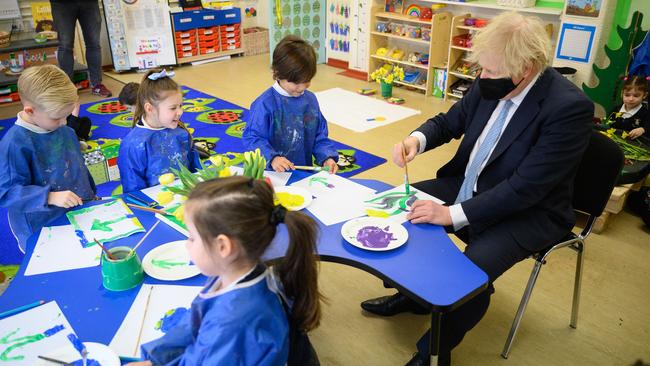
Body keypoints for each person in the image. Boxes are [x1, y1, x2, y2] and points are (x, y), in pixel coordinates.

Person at [359, 12, 594, 365]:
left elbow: (524, 189)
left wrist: (450, 214)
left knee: (467, 276)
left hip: (530, 211)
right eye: (481, 69)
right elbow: (450, 121)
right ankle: (415, 297)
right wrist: (416, 139)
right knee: (401, 209)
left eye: (491, 71)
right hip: (473, 183)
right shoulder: (493, 77)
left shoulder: (569, 109)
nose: (483, 77)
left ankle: (432, 353)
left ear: (526, 68)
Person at [126, 176, 322, 365]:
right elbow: (193, 324)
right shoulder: (230, 273)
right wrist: (155, 359)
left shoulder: (234, 324)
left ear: (223, 247)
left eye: (192, 237)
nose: (187, 244)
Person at [0, 65, 96, 252]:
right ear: (30, 111)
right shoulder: (14, 145)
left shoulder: (64, 130)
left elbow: (77, 167)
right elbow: (6, 193)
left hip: (78, 211)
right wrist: (49, 196)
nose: (64, 123)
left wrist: (91, 194)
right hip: (42, 224)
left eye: (67, 116)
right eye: (57, 117)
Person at [243, 35, 339, 174]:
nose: (301, 88)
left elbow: (319, 136)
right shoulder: (265, 104)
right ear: (277, 74)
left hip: (302, 172)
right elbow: (253, 138)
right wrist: (273, 158)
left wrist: (327, 157)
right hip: (272, 173)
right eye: (295, 83)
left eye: (307, 81)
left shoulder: (310, 100)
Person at [117, 69, 201, 193]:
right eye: (173, 108)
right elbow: (133, 191)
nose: (180, 112)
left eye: (181, 106)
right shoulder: (133, 145)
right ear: (149, 108)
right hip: (155, 206)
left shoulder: (181, 133)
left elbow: (197, 171)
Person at [50, 0, 112, 97]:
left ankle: (97, 85)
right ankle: (67, 88)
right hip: (61, 4)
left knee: (94, 43)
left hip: (89, 3)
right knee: (65, 45)